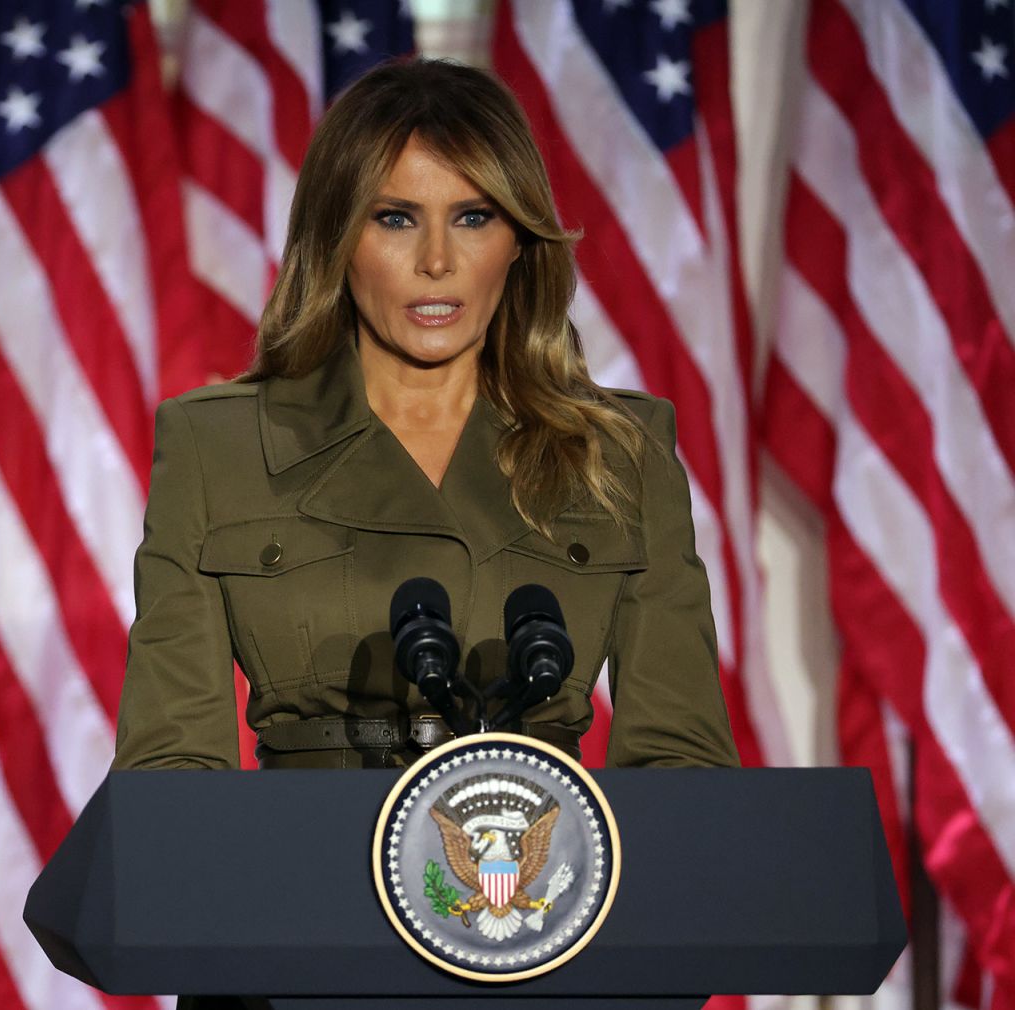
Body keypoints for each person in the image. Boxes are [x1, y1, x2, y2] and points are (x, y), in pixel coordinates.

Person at [112, 58, 739, 774]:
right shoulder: (217, 446)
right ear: (337, 238)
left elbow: (682, 769)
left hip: (536, 869)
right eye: (396, 218)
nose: (437, 261)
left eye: (474, 217)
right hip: (298, 868)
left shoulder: (622, 452)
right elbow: (169, 773)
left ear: (518, 243)